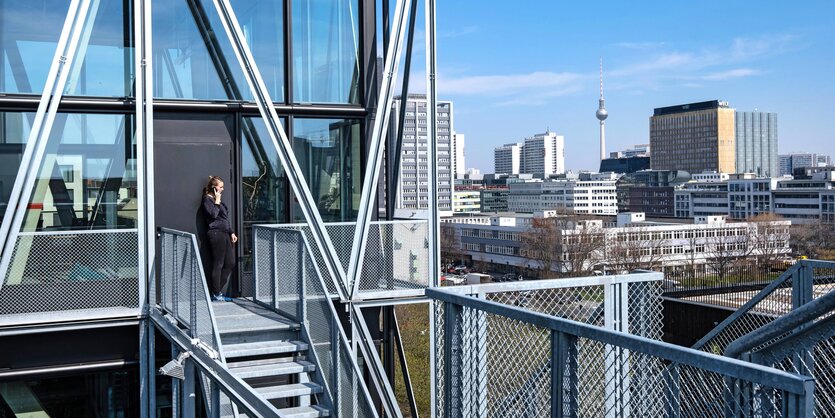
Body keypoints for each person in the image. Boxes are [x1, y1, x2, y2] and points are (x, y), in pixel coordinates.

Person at [202, 176, 237, 302]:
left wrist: (231, 232)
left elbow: (224, 218)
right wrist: (217, 201)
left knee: (230, 263)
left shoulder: (219, 200)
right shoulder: (207, 199)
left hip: (225, 233)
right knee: (219, 263)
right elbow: (213, 215)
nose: (223, 189)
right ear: (214, 187)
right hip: (216, 234)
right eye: (220, 187)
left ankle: (215, 292)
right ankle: (216, 293)